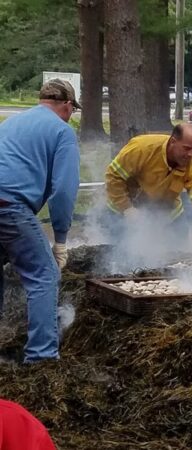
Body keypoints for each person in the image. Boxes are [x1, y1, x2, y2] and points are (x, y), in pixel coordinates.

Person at [0, 79, 80, 363]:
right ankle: (41, 358)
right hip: (9, 206)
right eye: (72, 110)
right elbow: (64, 191)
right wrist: (60, 241)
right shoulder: (62, 131)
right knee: (44, 275)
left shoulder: (11, 123)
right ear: (67, 105)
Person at [105, 124, 192, 256]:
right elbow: (114, 176)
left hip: (167, 213)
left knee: (179, 250)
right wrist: (127, 208)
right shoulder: (142, 148)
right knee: (120, 253)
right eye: (186, 148)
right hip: (123, 208)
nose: (190, 154)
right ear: (173, 142)